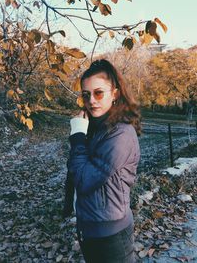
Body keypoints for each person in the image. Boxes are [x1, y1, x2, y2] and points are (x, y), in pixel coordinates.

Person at [65, 59, 141, 263]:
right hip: (89, 228)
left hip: (112, 235)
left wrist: (78, 137)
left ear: (114, 93)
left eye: (99, 93)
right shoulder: (95, 128)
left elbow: (83, 179)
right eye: (86, 94)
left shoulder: (122, 134)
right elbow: (73, 171)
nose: (91, 100)